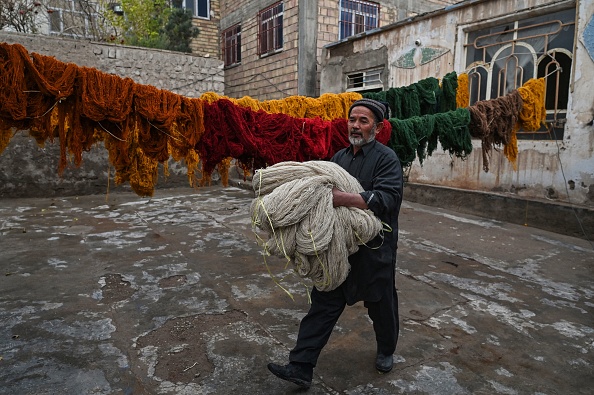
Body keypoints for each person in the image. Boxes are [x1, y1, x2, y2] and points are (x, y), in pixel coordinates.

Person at [267, 98, 404, 389]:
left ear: (377, 127)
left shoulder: (386, 158)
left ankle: (386, 350)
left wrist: (344, 199)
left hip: (374, 249)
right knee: (324, 303)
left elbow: (387, 199)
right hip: (339, 247)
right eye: (352, 119)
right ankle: (301, 366)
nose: (355, 125)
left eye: (363, 121)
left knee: (381, 304)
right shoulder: (339, 158)